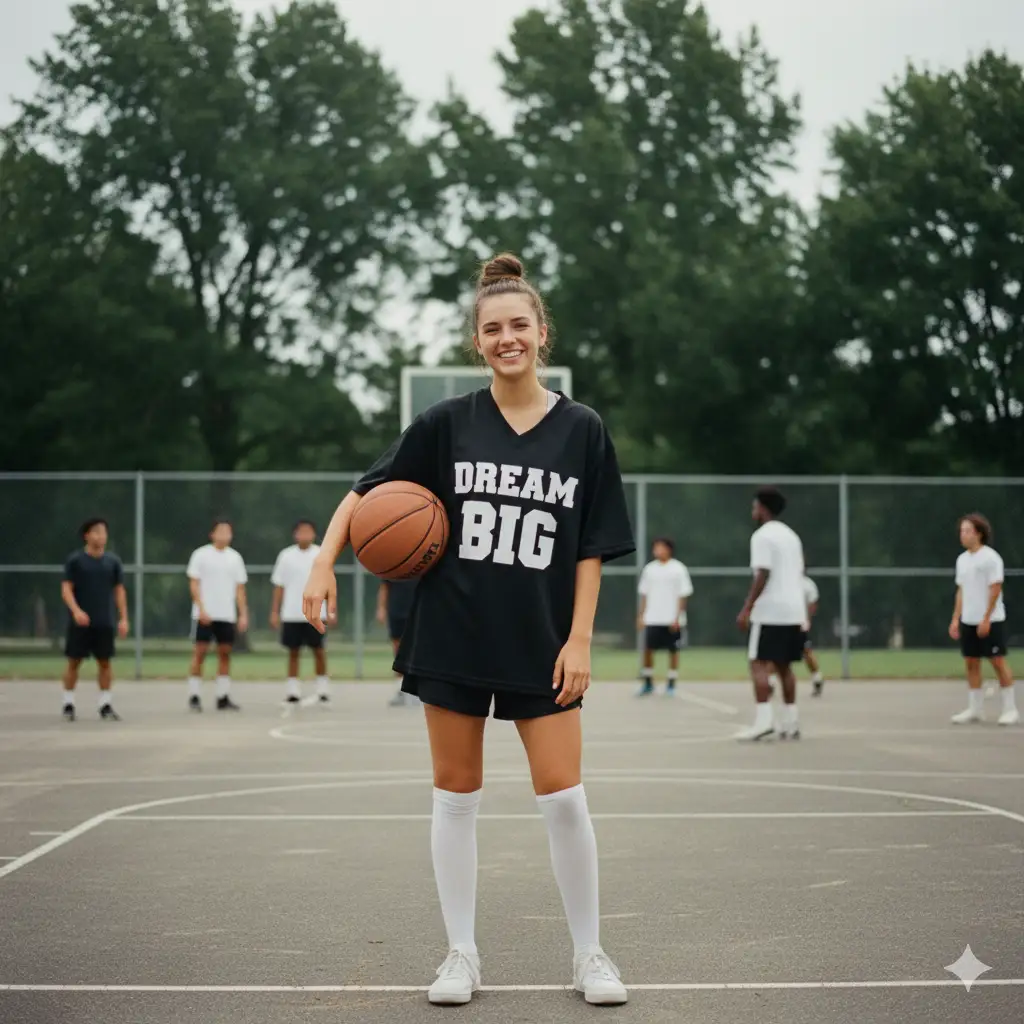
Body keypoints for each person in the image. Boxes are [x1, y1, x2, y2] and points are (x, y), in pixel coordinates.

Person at [302, 253, 635, 1007]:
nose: (507, 337)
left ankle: (590, 954)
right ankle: (461, 954)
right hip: (451, 632)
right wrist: (323, 562)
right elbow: (365, 494)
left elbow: (591, 546)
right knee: (455, 795)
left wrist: (579, 638)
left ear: (542, 333)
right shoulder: (446, 423)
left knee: (564, 799)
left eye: (520, 325)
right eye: (493, 328)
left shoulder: (582, 429)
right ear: (476, 341)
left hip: (540, 638)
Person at [736, 487, 806, 741]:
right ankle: (791, 721)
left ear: (763, 509)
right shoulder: (791, 536)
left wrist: (747, 607)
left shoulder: (762, 536)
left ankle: (763, 721)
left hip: (771, 610)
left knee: (758, 662)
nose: (753, 511)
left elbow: (762, 574)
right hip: (794, 608)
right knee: (784, 665)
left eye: (755, 506)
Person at [949, 513, 1018, 726]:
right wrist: (955, 619)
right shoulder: (962, 560)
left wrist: (986, 618)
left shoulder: (990, 558)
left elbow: (995, 588)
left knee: (997, 662)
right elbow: (961, 591)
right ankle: (975, 709)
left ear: (979, 533)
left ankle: (1010, 709)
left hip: (991, 620)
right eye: (961, 531)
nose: (963, 535)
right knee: (971, 662)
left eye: (967, 530)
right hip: (968, 620)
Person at [60, 518, 129, 721]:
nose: (101, 536)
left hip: (104, 621)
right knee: (74, 662)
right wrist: (76, 611)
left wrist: (123, 617)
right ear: (87, 535)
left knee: (105, 662)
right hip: (80, 621)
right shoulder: (75, 561)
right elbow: (66, 589)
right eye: (97, 532)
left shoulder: (112, 562)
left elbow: (119, 591)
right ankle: (68, 703)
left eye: (104, 532)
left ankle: (105, 704)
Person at [185, 519, 248, 712]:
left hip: (226, 614)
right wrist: (201, 609)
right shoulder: (201, 555)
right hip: (205, 614)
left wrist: (243, 613)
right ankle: (194, 695)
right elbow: (194, 584)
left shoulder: (235, 558)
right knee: (200, 653)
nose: (224, 535)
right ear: (212, 534)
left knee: (225, 654)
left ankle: (223, 696)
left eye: (228, 531)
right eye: (220, 531)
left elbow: (239, 588)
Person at [270, 519, 333, 706]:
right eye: (301, 531)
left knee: (319, 650)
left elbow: (328, 583)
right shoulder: (286, 556)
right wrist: (274, 611)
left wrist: (330, 609)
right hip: (291, 612)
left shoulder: (321, 555)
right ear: (295, 534)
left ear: (314, 534)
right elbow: (279, 586)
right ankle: (293, 691)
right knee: (293, 651)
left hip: (315, 612)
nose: (304, 535)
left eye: (308, 531)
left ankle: (322, 689)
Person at [635, 537, 693, 696]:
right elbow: (644, 595)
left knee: (673, 651)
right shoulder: (649, 569)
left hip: (671, 619)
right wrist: (641, 615)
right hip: (652, 618)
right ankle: (647, 682)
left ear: (669, 549)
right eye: (655, 548)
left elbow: (683, 595)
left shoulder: (678, 569)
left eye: (660, 547)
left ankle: (671, 683)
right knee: (648, 649)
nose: (657, 551)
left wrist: (677, 617)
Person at [376, 579, 420, 707]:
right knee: (398, 650)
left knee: (416, 649)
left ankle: (416, 689)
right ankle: (401, 689)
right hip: (396, 609)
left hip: (417, 609)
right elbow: (384, 587)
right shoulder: (394, 563)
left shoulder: (420, 562)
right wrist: (381, 608)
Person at [801, 574, 826, 696]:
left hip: (799, 623)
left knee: (806, 651)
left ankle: (817, 679)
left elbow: (812, 603)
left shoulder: (807, 584)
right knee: (774, 651)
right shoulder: (782, 582)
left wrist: (807, 620)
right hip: (783, 622)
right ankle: (771, 682)